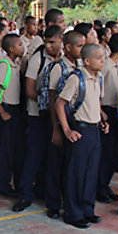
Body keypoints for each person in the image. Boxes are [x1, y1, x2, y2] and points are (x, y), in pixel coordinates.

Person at [55, 43, 107, 229]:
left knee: (91, 172)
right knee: (76, 173)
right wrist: (67, 130)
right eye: (99, 58)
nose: (103, 61)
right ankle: (73, 213)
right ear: (86, 61)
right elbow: (60, 104)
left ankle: (87, 209)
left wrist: (101, 119)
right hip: (80, 129)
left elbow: (95, 102)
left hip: (94, 129)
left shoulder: (98, 78)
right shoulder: (77, 79)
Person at [13, 25, 63, 212]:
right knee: (33, 155)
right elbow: (29, 89)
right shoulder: (38, 59)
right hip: (37, 114)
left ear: (61, 40)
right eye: (47, 42)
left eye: (53, 42)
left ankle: (45, 192)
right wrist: (47, 103)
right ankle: (25, 195)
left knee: (52, 158)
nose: (49, 46)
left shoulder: (65, 59)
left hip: (57, 117)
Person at [45, 30, 85, 219]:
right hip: (60, 121)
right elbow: (53, 99)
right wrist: (56, 128)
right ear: (68, 47)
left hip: (75, 120)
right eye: (79, 46)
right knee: (55, 162)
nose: (82, 49)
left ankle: (67, 199)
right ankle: (52, 203)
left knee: (70, 164)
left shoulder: (82, 66)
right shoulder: (59, 67)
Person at [0, 33, 25, 197]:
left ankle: (8, 182)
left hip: (15, 110)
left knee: (15, 148)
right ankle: (1, 184)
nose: (23, 48)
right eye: (20, 45)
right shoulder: (4, 66)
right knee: (5, 149)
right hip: (7, 109)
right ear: (11, 48)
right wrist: (1, 111)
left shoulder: (15, 65)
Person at [96, 33, 118, 204]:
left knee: (113, 152)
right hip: (106, 110)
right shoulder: (106, 66)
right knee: (105, 152)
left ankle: (105, 184)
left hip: (117, 111)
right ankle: (99, 186)